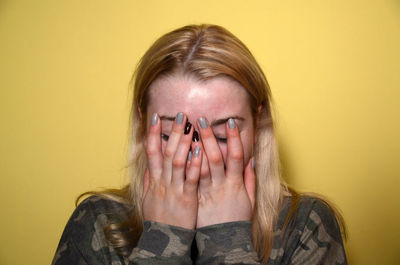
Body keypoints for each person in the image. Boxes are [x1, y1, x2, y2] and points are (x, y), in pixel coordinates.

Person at [52, 24, 347, 265]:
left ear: (258, 126)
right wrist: (163, 239)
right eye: (172, 135)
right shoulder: (97, 224)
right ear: (143, 128)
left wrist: (227, 238)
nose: (199, 160)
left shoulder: (305, 226)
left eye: (222, 136)